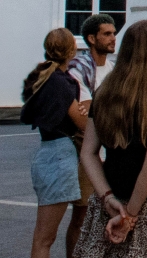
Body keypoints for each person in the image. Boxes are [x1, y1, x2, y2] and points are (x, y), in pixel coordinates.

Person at [76, 19, 147, 258]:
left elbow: (88, 152)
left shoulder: (104, 91)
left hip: (110, 200)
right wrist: (130, 214)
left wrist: (107, 197)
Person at [22, 28, 89, 258]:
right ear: (71, 51)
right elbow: (82, 123)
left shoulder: (41, 78)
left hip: (47, 151)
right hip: (60, 154)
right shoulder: (60, 83)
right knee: (45, 238)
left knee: (43, 236)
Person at [68, 14, 119, 256]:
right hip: (88, 152)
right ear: (91, 38)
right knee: (81, 216)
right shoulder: (78, 70)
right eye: (107, 34)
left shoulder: (114, 69)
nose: (113, 38)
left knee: (110, 215)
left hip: (114, 151)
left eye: (114, 33)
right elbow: (85, 117)